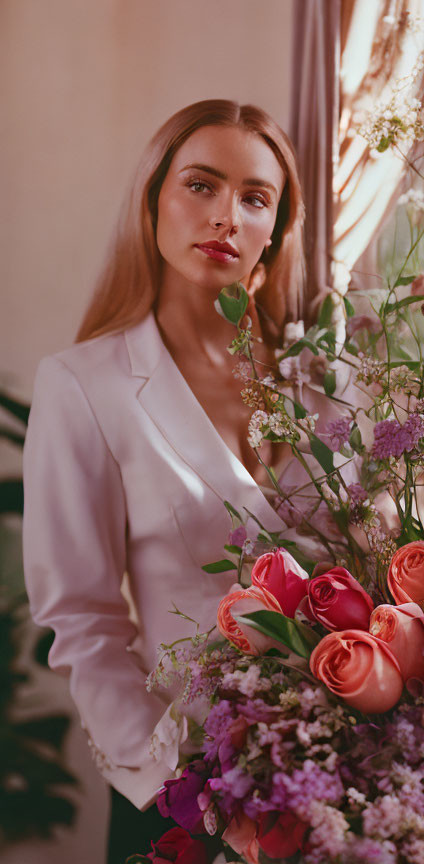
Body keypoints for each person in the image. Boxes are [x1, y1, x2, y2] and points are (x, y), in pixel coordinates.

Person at [21, 99, 312, 862]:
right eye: (201, 185)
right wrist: (188, 788)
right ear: (152, 201)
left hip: (334, 787)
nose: (226, 216)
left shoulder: (324, 386)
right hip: (186, 803)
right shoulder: (85, 385)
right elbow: (81, 619)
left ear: (274, 233)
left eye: (255, 198)